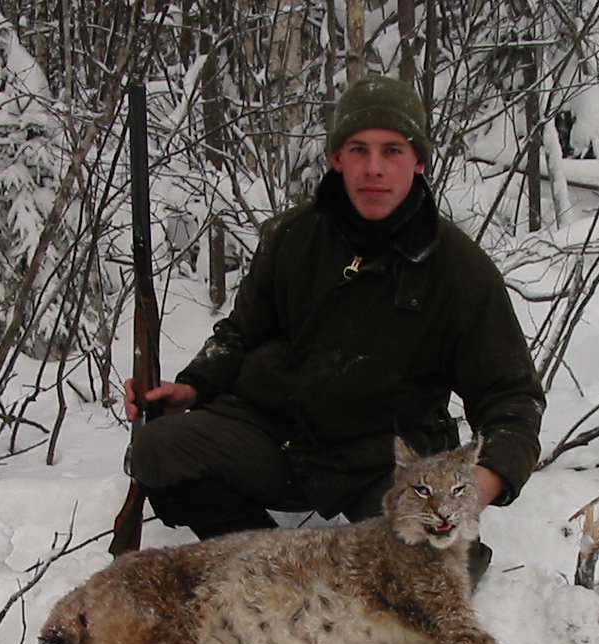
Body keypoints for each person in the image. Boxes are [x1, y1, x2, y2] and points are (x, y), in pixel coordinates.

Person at [124, 75, 544, 582]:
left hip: (380, 459)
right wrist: (194, 384)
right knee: (159, 448)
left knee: (428, 573)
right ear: (336, 159)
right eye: (358, 149)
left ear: (419, 162)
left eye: (392, 150)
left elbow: (513, 400)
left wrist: (481, 481)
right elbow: (242, 333)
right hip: (278, 436)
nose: (373, 168)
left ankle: (383, 567)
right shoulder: (292, 236)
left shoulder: (459, 269)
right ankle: (272, 564)